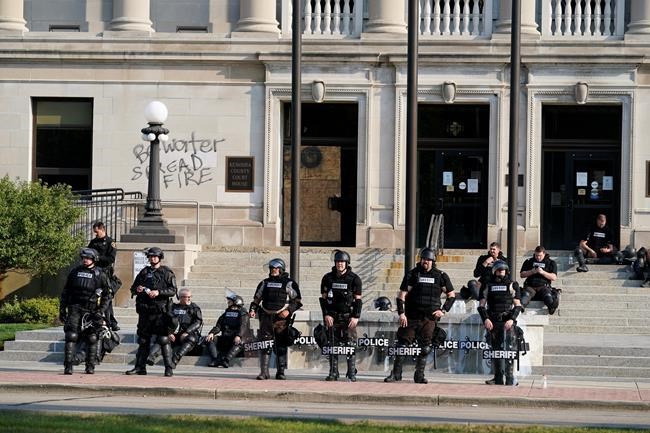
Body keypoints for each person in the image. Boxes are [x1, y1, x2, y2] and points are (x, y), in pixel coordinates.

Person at [385, 247, 455, 384]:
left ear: (433, 261)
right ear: (420, 260)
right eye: (424, 259)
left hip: (429, 318)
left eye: (429, 260)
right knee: (401, 346)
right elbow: (401, 296)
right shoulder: (413, 274)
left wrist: (443, 310)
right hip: (411, 316)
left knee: (425, 347)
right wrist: (401, 313)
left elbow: (451, 295)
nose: (426, 262)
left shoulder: (440, 276)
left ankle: (419, 375)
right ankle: (396, 374)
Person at [126, 247, 177, 377]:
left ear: (160, 258)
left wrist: (159, 292)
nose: (152, 259)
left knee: (163, 339)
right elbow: (133, 288)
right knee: (143, 340)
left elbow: (173, 290)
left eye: (155, 256)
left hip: (160, 312)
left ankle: (168, 368)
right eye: (150, 257)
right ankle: (140, 367)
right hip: (145, 312)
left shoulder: (167, 273)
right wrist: (138, 289)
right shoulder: (144, 272)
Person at [59, 248, 111, 375]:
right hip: (75, 307)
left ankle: (90, 366)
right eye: (83, 258)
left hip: (92, 309)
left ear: (94, 259)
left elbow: (107, 295)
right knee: (71, 336)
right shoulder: (75, 272)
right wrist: (62, 308)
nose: (85, 260)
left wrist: (101, 311)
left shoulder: (100, 274)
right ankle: (68, 366)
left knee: (92, 338)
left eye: (88, 258)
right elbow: (66, 291)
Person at [249, 258, 302, 380]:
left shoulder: (289, 283)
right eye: (272, 268)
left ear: (281, 269)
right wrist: (252, 310)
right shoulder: (264, 283)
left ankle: (281, 372)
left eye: (276, 268)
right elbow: (256, 299)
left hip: (281, 318)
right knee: (264, 344)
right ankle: (264, 372)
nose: (273, 270)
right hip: (266, 317)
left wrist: (288, 311)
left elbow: (297, 301)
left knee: (281, 344)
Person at [319, 250, 363, 382]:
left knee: (350, 344)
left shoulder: (354, 279)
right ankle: (333, 372)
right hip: (332, 317)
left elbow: (358, 300)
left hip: (348, 317)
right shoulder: (328, 278)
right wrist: (326, 315)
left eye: (342, 262)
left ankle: (351, 372)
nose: (340, 264)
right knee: (332, 344)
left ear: (347, 263)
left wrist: (356, 316)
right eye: (338, 262)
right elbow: (324, 300)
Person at [478, 260, 523, 386]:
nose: (501, 273)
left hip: (507, 320)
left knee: (509, 349)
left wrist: (511, 319)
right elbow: (481, 306)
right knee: (496, 350)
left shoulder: (512, 284)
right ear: (494, 271)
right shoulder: (488, 285)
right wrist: (486, 319)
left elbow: (518, 306)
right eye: (499, 270)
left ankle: (510, 377)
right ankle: (498, 377)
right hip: (493, 321)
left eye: (503, 271)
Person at [147, 288, 203, 369]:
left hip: (187, 335)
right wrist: (169, 333)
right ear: (180, 297)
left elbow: (198, 322)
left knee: (191, 338)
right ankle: (151, 356)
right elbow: (165, 320)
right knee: (163, 338)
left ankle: (174, 360)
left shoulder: (194, 308)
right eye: (186, 297)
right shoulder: (172, 307)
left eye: (190, 297)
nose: (189, 298)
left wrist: (187, 332)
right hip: (173, 334)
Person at [88, 221, 119, 331]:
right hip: (94, 273)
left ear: (102, 230)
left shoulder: (110, 242)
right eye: (94, 232)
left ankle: (111, 321)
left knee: (106, 298)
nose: (96, 234)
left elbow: (111, 259)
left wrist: (97, 257)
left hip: (105, 273)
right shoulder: (93, 242)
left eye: (97, 232)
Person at [206, 292, 249, 368]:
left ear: (236, 302)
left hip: (235, 339)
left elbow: (243, 326)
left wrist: (238, 335)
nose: (228, 303)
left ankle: (226, 360)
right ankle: (216, 360)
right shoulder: (226, 313)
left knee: (240, 342)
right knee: (211, 339)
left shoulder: (243, 313)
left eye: (230, 301)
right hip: (226, 337)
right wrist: (212, 333)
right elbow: (218, 326)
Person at [519, 246, 559, 315]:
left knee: (547, 296)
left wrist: (543, 272)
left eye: (540, 255)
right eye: (536, 255)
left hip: (543, 286)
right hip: (530, 286)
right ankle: (520, 308)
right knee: (526, 295)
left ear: (544, 254)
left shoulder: (551, 262)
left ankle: (552, 307)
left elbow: (554, 277)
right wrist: (531, 272)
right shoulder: (529, 261)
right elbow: (522, 274)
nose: (538, 257)